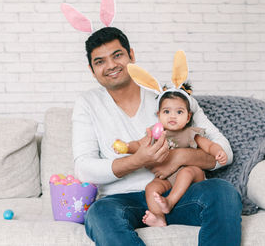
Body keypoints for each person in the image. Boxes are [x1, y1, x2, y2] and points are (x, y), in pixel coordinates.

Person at [72, 26, 242, 246]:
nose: (111, 65)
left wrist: (180, 157)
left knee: (223, 191)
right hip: (121, 200)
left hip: (178, 194)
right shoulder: (88, 104)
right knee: (98, 214)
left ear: (131, 55)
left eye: (118, 55)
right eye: (100, 61)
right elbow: (84, 169)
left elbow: (225, 153)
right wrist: (137, 160)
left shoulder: (171, 99)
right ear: (91, 69)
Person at [113, 87, 228, 227]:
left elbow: (209, 146)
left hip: (192, 176)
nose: (172, 116)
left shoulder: (190, 133)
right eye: (166, 111)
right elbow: (138, 145)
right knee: (151, 188)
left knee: (188, 171)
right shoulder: (156, 134)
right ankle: (158, 217)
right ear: (158, 115)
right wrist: (126, 147)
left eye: (179, 112)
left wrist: (218, 152)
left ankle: (170, 202)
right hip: (167, 179)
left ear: (188, 117)